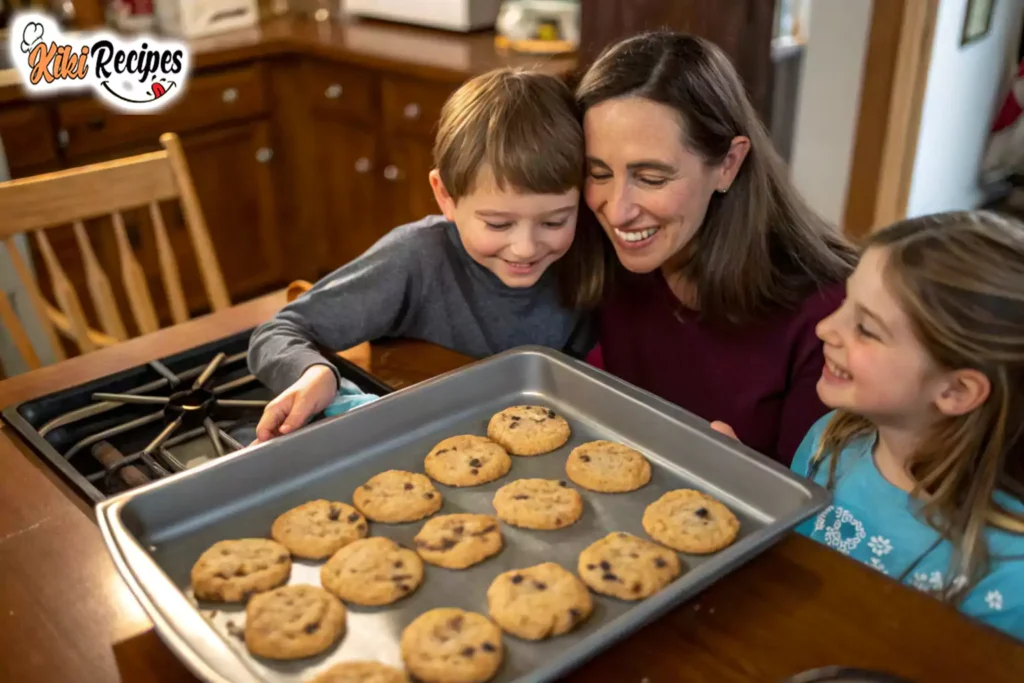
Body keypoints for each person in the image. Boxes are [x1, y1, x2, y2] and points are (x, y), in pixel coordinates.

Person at [248, 67, 603, 442]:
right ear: (445, 195)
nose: (526, 248)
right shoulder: (414, 258)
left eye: (553, 222)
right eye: (498, 225)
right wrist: (313, 373)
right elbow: (276, 332)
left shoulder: (586, 253)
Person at [575, 31, 857, 464]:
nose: (617, 212)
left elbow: (819, 509)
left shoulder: (825, 313)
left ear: (728, 164)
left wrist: (746, 478)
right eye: (598, 173)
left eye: (651, 178)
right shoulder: (595, 249)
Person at [793, 211, 1024, 640]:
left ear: (956, 390)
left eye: (865, 328)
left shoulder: (1011, 580)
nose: (826, 327)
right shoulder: (828, 443)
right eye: (845, 303)